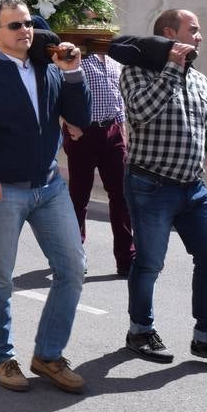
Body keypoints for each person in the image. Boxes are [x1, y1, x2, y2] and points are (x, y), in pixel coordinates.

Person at [0, 0, 90, 394]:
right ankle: (2, 358)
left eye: (27, 23)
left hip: (48, 186)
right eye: (14, 26)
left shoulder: (49, 69)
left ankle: (48, 354)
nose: (25, 30)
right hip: (2, 191)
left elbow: (80, 118)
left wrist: (74, 72)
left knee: (73, 269)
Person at [121, 9, 207, 369]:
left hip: (194, 188)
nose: (199, 36)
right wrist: (173, 69)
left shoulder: (200, 81)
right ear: (169, 33)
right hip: (150, 184)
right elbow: (140, 112)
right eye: (193, 30)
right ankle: (140, 331)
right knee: (149, 262)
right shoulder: (135, 72)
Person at [59, 51, 135, 276]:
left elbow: (118, 98)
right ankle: (74, 256)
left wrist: (122, 132)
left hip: (112, 132)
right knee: (79, 197)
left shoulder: (114, 61)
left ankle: (126, 258)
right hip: (83, 134)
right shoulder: (74, 58)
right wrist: (67, 122)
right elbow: (57, 93)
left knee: (122, 196)